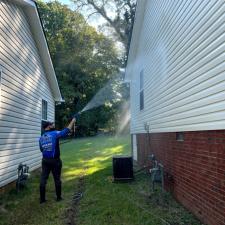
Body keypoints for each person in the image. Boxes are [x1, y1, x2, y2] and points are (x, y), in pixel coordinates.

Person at [39, 118, 76, 204]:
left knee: (43, 179)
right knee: (57, 179)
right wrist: (73, 121)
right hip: (55, 161)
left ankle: (42, 200)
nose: (53, 125)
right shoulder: (54, 133)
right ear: (48, 127)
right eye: (51, 124)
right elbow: (66, 131)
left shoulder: (41, 138)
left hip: (45, 161)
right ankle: (58, 198)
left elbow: (42, 149)